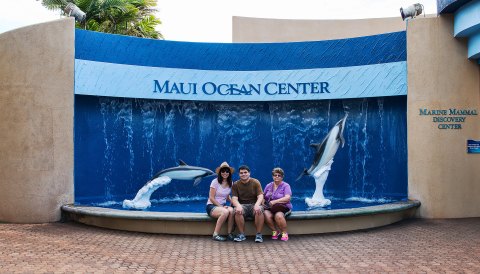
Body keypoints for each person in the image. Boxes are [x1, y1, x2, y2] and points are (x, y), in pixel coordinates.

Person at [231, 165, 265, 243]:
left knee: (259, 210)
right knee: (237, 210)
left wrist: (257, 205)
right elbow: (234, 198)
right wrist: (238, 206)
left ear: (249, 173)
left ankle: (259, 235)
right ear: (239, 174)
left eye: (245, 172)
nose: (243, 174)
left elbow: (260, 196)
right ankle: (242, 234)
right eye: (241, 173)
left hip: (254, 204)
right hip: (242, 205)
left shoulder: (255, 182)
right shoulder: (235, 184)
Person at [206, 162, 235, 241]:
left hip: (222, 206)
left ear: (229, 173)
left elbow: (227, 196)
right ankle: (215, 234)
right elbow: (211, 198)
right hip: (212, 205)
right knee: (225, 212)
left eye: (227, 171)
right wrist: (221, 206)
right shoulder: (215, 182)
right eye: (223, 171)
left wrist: (233, 202)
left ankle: (229, 234)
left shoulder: (230, 183)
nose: (225, 173)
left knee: (232, 210)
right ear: (220, 172)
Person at [263, 167, 292, 241]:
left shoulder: (286, 186)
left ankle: (284, 233)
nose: (277, 177)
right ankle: (275, 231)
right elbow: (263, 196)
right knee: (266, 214)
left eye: (279, 175)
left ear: (282, 177)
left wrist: (275, 201)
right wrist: (262, 202)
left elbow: (287, 198)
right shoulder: (268, 185)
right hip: (270, 208)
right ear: (272, 176)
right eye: (275, 175)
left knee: (278, 216)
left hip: (282, 207)